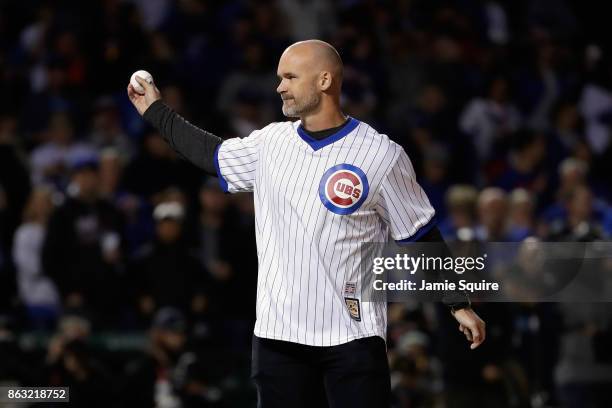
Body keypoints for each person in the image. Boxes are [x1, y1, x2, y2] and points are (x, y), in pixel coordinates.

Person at [128, 39, 486, 408]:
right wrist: (155, 110)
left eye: (290, 76)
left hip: (353, 338)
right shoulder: (268, 144)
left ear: (324, 80)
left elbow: (420, 235)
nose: (279, 86)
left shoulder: (381, 155)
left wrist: (458, 303)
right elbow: (210, 154)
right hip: (278, 339)